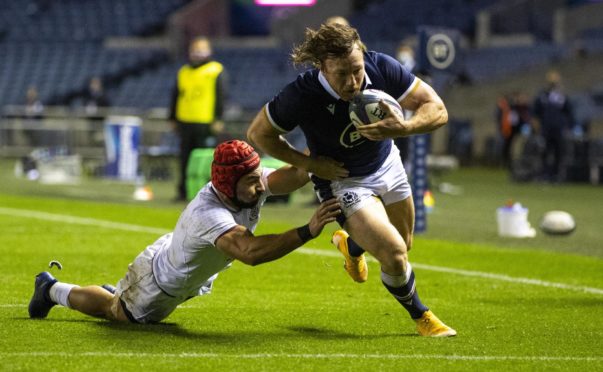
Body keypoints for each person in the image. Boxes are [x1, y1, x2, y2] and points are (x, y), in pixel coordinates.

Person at [247, 23, 455, 337]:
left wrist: (403, 129)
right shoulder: (303, 94)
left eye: (356, 70)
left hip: (388, 164)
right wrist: (310, 163)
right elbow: (258, 133)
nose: (353, 81)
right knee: (395, 255)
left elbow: (437, 109)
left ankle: (352, 246)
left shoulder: (381, 66)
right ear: (322, 67)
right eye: (341, 74)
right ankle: (422, 316)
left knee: (404, 243)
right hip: (343, 182)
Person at [28, 140, 341, 324]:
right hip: (160, 282)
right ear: (227, 183)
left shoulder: (245, 182)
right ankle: (51, 289)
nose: (261, 186)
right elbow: (251, 252)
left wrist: (320, 147)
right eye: (252, 181)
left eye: (259, 177)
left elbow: (297, 174)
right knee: (115, 312)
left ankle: (116, 291)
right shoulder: (209, 212)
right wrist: (308, 230)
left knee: (122, 303)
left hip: (181, 264)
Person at [169, 36, 227, 201]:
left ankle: (207, 194)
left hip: (205, 122)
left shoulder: (216, 70)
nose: (197, 53)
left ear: (209, 51)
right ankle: (183, 191)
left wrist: (218, 118)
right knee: (184, 158)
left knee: (206, 160)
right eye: (195, 49)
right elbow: (175, 95)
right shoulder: (183, 71)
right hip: (185, 121)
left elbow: (221, 96)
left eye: (201, 49)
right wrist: (172, 117)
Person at [532, 70, 575, 182]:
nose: (554, 83)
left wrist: (568, 127)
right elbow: (535, 114)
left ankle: (556, 175)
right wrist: (537, 129)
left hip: (558, 130)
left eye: (555, 80)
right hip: (545, 129)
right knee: (544, 152)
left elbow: (569, 112)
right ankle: (544, 174)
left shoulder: (561, 97)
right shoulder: (542, 96)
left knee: (559, 152)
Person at [496, 91, 532, 168]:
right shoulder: (513, 108)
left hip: (522, 131)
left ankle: (522, 163)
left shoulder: (527, 108)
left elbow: (527, 121)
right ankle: (509, 163)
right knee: (510, 147)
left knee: (523, 146)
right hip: (513, 131)